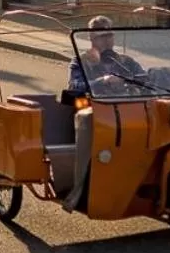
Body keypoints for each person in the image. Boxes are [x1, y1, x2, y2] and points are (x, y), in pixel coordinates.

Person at [61, 15, 146, 211]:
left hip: (125, 108)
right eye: (102, 36)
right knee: (87, 118)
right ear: (92, 38)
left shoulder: (125, 61)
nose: (108, 40)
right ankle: (78, 192)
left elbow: (143, 78)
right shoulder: (81, 61)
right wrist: (103, 81)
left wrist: (152, 77)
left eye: (110, 35)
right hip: (96, 110)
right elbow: (75, 85)